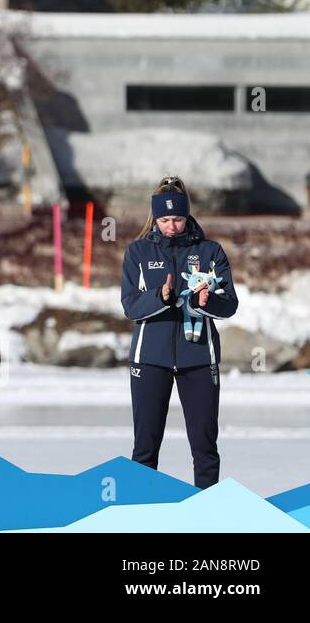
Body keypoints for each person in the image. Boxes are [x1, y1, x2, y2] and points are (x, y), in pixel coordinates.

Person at [120, 175, 238, 488]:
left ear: (187, 216)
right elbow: (130, 306)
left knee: (204, 447)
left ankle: (206, 512)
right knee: (145, 448)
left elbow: (230, 304)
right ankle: (138, 512)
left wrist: (206, 300)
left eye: (178, 219)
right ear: (154, 218)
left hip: (199, 358)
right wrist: (161, 296)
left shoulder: (211, 252)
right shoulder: (138, 253)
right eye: (165, 219)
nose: (171, 226)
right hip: (150, 360)